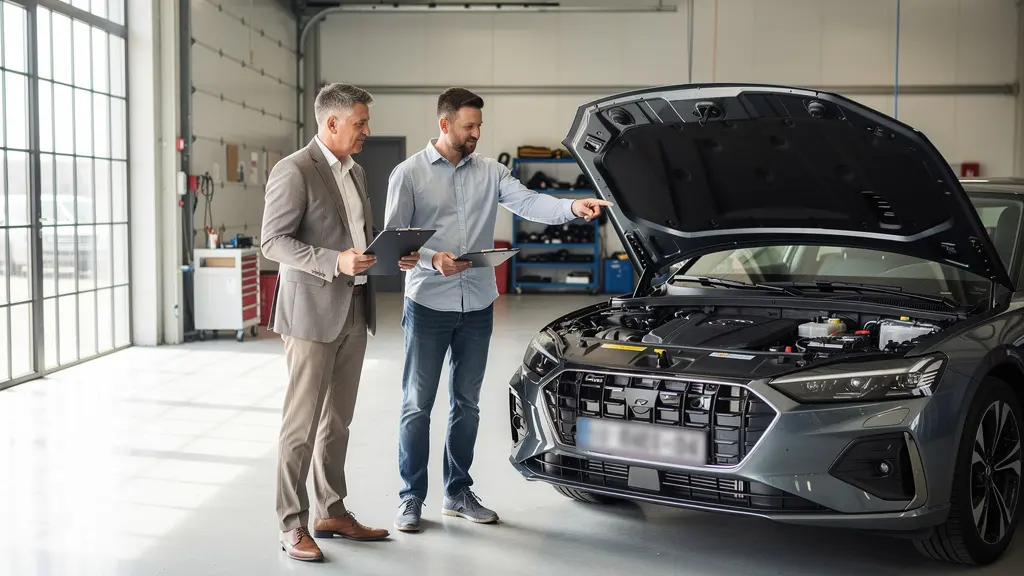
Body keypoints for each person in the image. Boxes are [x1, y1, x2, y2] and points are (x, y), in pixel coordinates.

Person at [383, 87, 612, 532]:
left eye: (480, 126)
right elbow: (397, 240)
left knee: (466, 403)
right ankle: (411, 497)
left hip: (477, 304)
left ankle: (457, 492)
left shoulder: (491, 171)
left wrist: (572, 206)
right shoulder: (408, 173)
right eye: (469, 126)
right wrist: (434, 259)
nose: (476, 134)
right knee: (417, 404)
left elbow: (528, 202)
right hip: (428, 302)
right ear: (444, 124)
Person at [261, 82, 418, 562]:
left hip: (354, 308)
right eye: (360, 123)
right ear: (331, 123)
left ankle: (331, 510)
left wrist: (393, 255)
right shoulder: (294, 170)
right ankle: (292, 523)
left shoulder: (356, 172)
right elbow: (273, 242)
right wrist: (334, 261)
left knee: (338, 421)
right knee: (301, 424)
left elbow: (360, 238)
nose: (367, 131)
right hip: (310, 312)